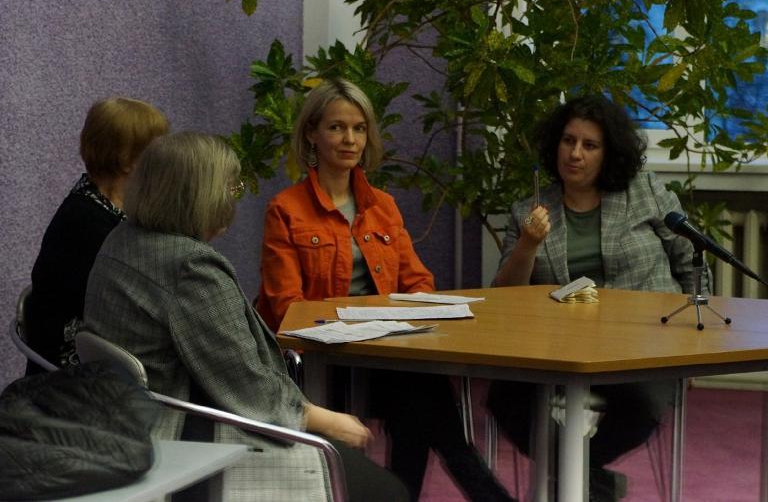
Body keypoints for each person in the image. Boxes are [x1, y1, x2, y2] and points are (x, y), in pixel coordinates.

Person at [82, 132, 408, 502]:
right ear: (203, 197)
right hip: (182, 433)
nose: (234, 198)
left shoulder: (121, 240)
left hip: (122, 421)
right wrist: (325, 420)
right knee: (388, 492)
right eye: (232, 187)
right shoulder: (192, 269)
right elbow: (247, 388)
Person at [257, 78, 514, 502]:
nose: (350, 139)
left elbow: (417, 283)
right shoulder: (286, 209)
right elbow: (287, 307)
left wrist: (412, 315)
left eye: (359, 128)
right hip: (323, 360)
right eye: (337, 127)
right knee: (423, 402)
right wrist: (354, 326)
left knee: (420, 398)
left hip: (383, 354)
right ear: (312, 134)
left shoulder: (383, 206)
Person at [487, 94, 708, 501]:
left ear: (609, 153)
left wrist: (696, 340)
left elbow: (690, 260)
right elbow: (505, 298)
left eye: (589, 145)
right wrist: (527, 245)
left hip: (645, 344)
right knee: (504, 397)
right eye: (568, 141)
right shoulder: (528, 210)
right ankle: (592, 482)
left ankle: (578, 475)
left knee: (644, 401)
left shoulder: (644, 192)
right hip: (560, 348)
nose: (575, 154)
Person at [26, 97, 169, 373]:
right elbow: (135, 303)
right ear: (128, 161)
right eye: (157, 151)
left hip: (100, 345)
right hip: (74, 368)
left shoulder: (104, 202)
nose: (165, 160)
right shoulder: (89, 222)